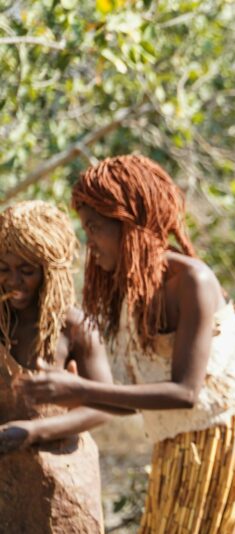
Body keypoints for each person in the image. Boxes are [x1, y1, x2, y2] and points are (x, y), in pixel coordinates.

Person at [18, 155, 235, 533]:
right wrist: (71, 395)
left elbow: (185, 392)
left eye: (95, 228)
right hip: (175, 451)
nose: (90, 242)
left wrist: (80, 388)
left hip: (225, 446)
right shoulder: (131, 291)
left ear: (128, 223)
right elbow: (136, 401)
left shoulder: (192, 280)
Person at [0, 200, 108, 533]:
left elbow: (104, 407)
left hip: (64, 485)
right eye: (3, 267)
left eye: (27, 270)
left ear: (51, 270)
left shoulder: (74, 327)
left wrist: (32, 432)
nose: (13, 281)